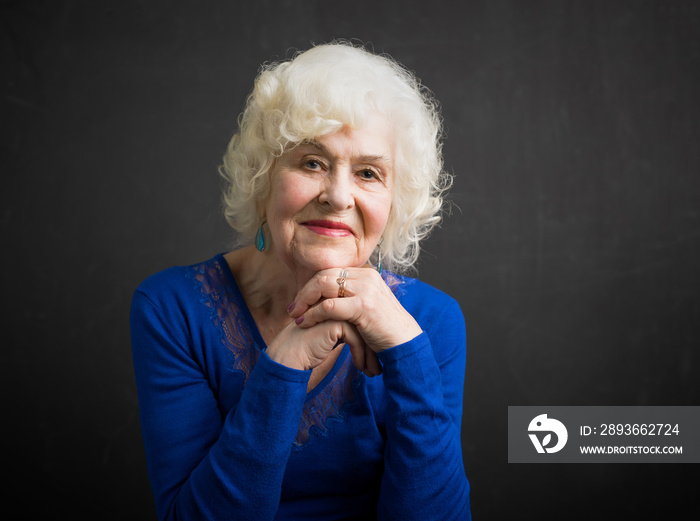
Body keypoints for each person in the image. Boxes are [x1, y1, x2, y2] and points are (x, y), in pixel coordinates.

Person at [130, 41, 471, 520]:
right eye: (312, 162)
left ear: (395, 201)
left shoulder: (432, 322)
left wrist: (405, 350)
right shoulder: (172, 309)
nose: (337, 195)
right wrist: (286, 361)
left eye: (369, 173)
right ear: (263, 176)